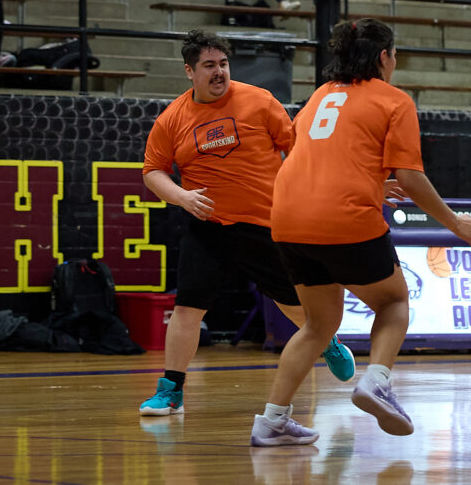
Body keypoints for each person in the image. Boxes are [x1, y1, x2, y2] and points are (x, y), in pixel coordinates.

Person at [249, 18, 471, 446]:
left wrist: (373, 183)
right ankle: (377, 381)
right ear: (383, 57)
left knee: (318, 325)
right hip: (343, 217)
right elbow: (411, 177)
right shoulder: (394, 100)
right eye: (394, 54)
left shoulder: (321, 95)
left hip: (287, 219)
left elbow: (319, 156)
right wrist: (455, 222)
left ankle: (272, 421)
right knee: (394, 302)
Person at [138, 30, 356, 417]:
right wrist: (182, 197)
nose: (219, 72)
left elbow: (300, 148)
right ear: (190, 71)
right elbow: (153, 171)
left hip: (266, 224)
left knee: (292, 302)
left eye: (223, 63)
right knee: (188, 308)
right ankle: (170, 391)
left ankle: (327, 341)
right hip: (208, 228)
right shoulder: (172, 119)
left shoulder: (259, 100)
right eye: (209, 65)